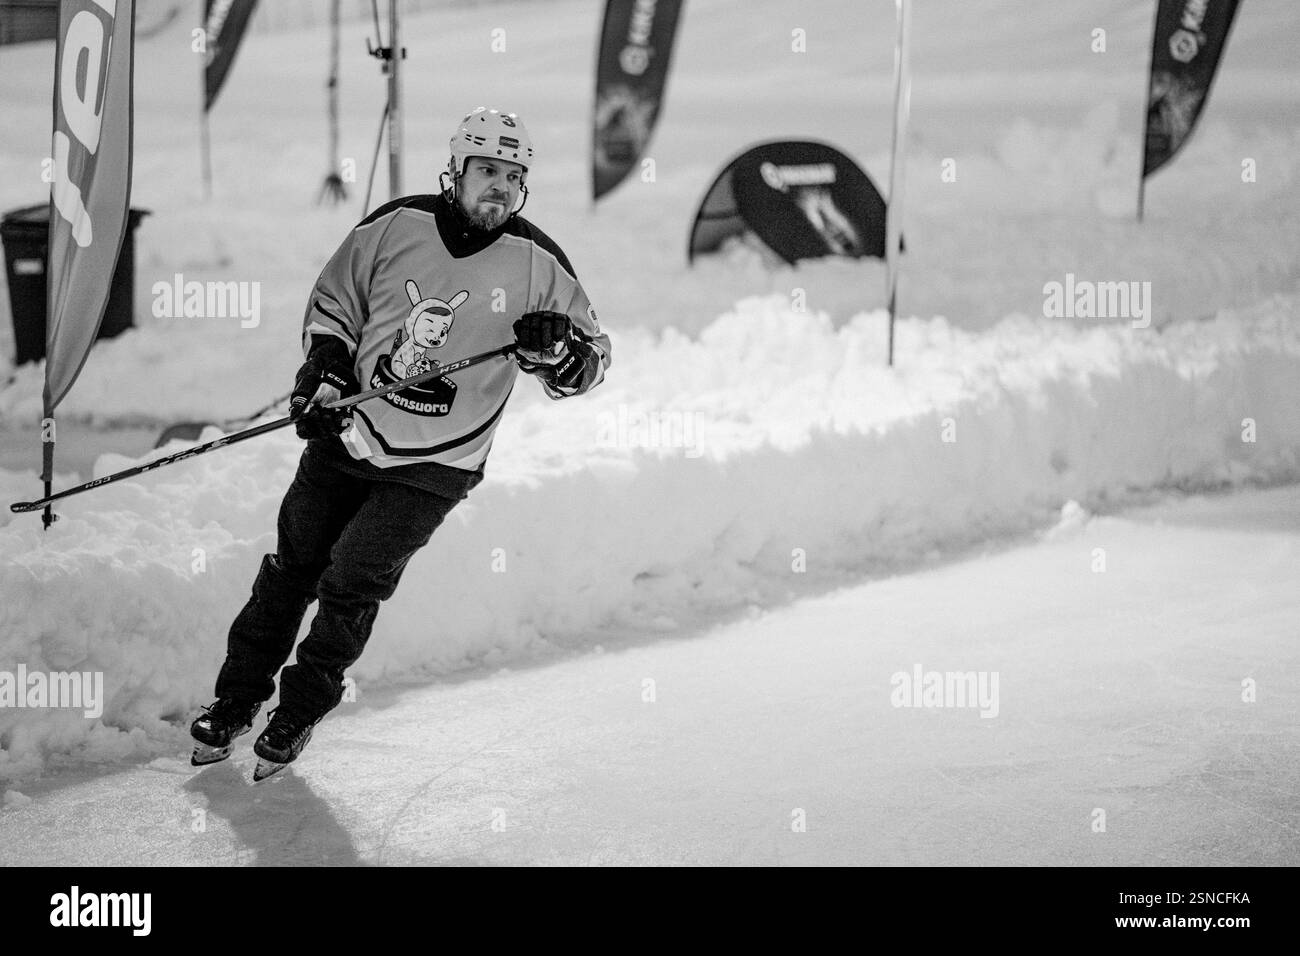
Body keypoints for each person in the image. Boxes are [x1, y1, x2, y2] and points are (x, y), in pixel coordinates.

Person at [190, 107, 612, 780]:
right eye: (486, 172)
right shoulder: (395, 227)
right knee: (293, 567)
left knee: (353, 576)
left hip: (441, 462)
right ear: (455, 172)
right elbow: (335, 305)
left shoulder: (540, 262)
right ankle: (235, 700)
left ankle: (298, 709)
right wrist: (324, 375)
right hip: (352, 430)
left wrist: (556, 352)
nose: (498, 188)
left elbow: (589, 361)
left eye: (512, 175)